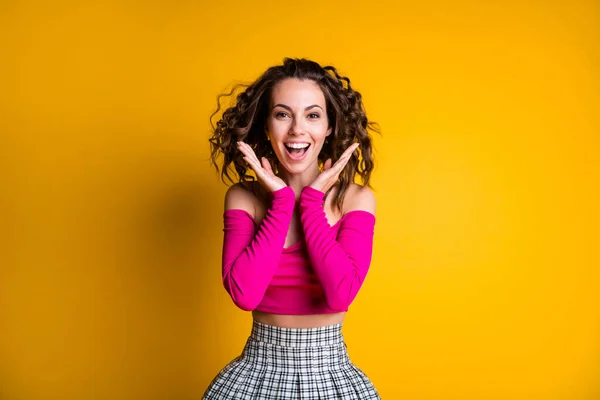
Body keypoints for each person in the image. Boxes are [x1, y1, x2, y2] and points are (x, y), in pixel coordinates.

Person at [203, 57, 381, 399]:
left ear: (329, 127)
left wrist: (311, 202)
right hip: (254, 376)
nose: (297, 130)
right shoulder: (244, 197)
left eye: (312, 115)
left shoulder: (357, 199)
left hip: (331, 375)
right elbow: (245, 295)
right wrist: (283, 203)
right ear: (266, 127)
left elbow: (341, 295)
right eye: (283, 114)